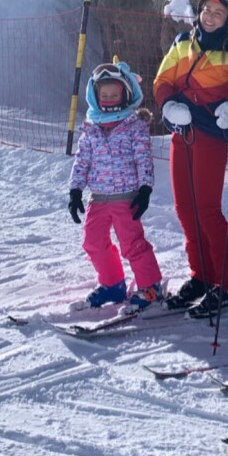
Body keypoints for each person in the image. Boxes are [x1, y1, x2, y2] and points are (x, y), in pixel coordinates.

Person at [153, 0, 228, 313]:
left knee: (207, 211)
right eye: (206, 10)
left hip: (211, 134)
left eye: (219, 12)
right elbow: (162, 81)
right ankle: (203, 275)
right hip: (182, 132)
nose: (210, 17)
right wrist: (169, 106)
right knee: (185, 210)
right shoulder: (183, 42)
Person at [68, 61, 164, 311]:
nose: (109, 99)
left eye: (114, 94)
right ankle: (113, 284)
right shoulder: (90, 128)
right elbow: (82, 161)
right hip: (98, 198)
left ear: (126, 94)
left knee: (132, 243)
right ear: (95, 96)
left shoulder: (134, 126)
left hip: (127, 197)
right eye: (104, 95)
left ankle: (151, 287)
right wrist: (76, 190)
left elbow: (143, 158)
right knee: (93, 242)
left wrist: (145, 189)